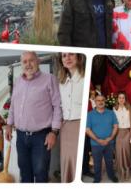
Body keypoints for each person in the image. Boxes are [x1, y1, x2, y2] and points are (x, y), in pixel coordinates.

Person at [6, 51, 62, 183]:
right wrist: (9, 124)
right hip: (20, 135)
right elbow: (13, 104)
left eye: (31, 60)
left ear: (38, 61)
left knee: (40, 172)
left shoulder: (49, 79)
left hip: (41, 136)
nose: (28, 64)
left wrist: (54, 132)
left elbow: (57, 106)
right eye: (24, 61)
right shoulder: (18, 81)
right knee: (24, 172)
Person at [57, 53, 85, 183]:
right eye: (64, 56)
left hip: (79, 124)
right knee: (66, 159)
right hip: (65, 126)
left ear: (78, 57)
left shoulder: (85, 78)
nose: (67, 58)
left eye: (71, 55)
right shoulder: (62, 82)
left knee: (76, 160)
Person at [86, 94, 119, 183]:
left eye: (102, 100)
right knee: (97, 163)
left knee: (109, 161)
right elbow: (87, 130)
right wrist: (98, 140)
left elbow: (116, 126)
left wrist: (110, 138)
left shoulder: (111, 113)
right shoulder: (90, 114)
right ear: (95, 102)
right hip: (96, 144)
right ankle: (97, 178)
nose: (100, 102)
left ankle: (111, 176)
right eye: (98, 100)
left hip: (109, 142)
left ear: (105, 102)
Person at [113, 91, 131, 181]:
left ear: (125, 99)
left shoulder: (130, 108)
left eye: (123, 98)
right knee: (119, 152)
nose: (121, 99)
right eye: (119, 98)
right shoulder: (114, 109)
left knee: (126, 152)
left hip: (127, 132)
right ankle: (120, 170)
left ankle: (127, 169)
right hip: (118, 132)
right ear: (117, 99)